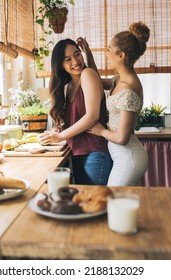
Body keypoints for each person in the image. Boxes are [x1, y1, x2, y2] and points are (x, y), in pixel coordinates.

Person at [77, 21, 150, 186]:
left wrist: (101, 131)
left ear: (121, 55)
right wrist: (87, 53)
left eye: (109, 49)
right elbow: (96, 81)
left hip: (128, 158)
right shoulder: (120, 79)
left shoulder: (129, 88)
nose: (106, 53)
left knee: (113, 201)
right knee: (127, 206)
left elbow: (122, 137)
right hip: (126, 156)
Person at [38, 39, 112, 185]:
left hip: (95, 153)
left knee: (93, 205)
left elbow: (92, 116)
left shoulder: (88, 74)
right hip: (78, 153)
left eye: (77, 54)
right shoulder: (68, 86)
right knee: (84, 203)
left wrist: (60, 136)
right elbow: (75, 119)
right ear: (60, 65)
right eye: (68, 59)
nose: (75, 61)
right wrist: (58, 129)